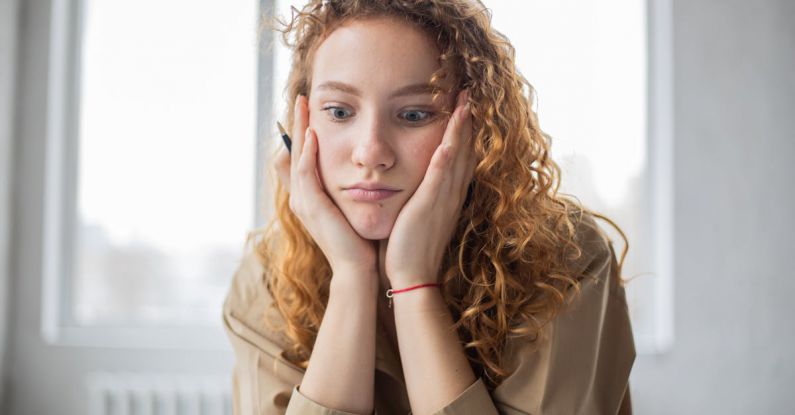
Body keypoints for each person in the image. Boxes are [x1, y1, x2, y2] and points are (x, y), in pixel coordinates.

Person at [222, 0, 636, 414]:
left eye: (414, 113)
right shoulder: (266, 282)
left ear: (476, 129)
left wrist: (414, 286)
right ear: (301, 127)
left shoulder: (565, 262)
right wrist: (352, 277)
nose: (371, 152)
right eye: (339, 111)